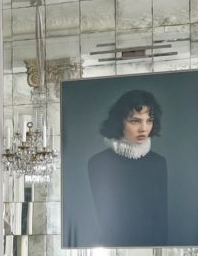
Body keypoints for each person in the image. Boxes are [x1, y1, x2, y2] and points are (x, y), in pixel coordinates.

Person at [73, 87, 173, 247]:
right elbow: (105, 222)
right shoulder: (98, 162)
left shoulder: (158, 162)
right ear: (120, 122)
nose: (144, 128)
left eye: (149, 120)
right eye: (135, 121)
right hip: (111, 252)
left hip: (153, 255)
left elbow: (162, 223)